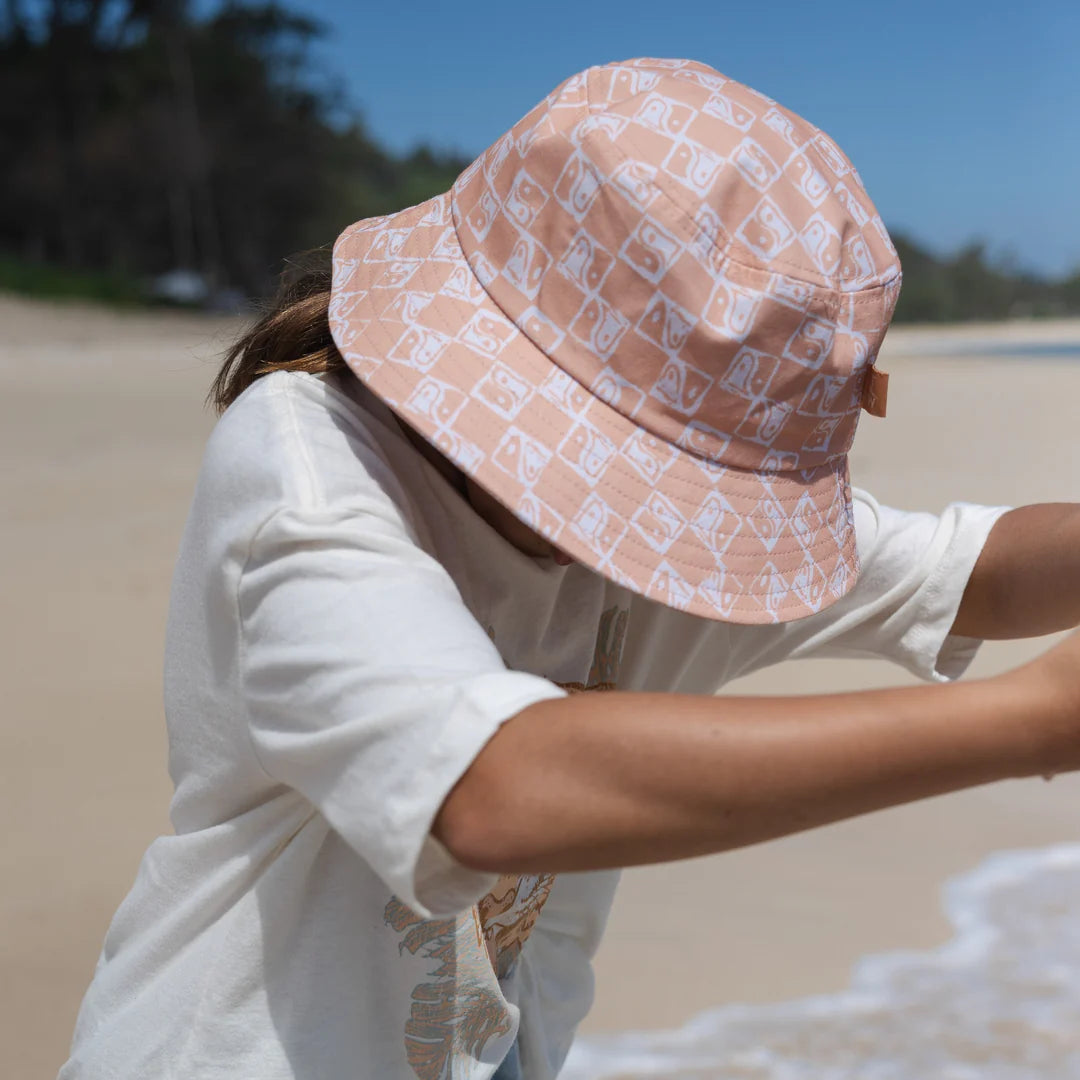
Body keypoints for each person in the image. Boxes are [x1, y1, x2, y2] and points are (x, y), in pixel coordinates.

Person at [59, 57, 1080, 1080]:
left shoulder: (675, 551)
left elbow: (971, 567)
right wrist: (1027, 722)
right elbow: (489, 789)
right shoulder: (308, 467)